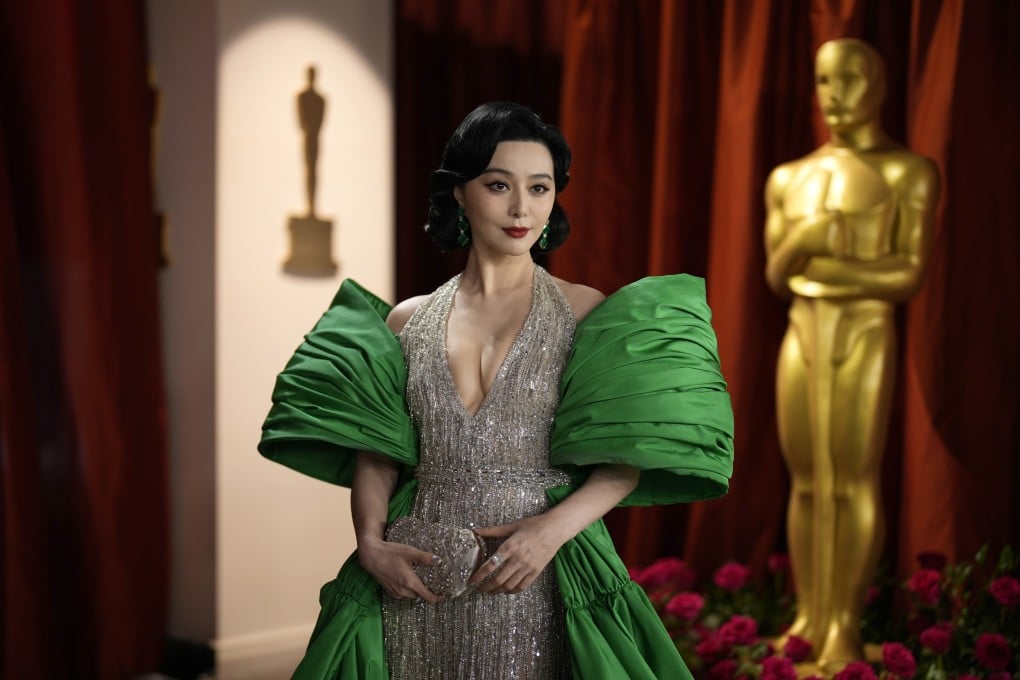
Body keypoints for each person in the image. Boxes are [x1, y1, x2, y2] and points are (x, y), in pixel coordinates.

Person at [261, 101, 734, 678]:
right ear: (459, 192)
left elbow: (627, 456)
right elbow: (377, 454)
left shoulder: (589, 312)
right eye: (497, 185)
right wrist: (370, 542)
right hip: (416, 581)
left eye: (539, 188)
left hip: (539, 572)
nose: (521, 208)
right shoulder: (406, 321)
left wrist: (548, 533)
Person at [764, 39, 939, 671]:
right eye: (824, 81)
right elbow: (779, 274)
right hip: (804, 332)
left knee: (851, 480)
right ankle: (811, 616)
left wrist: (822, 267)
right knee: (809, 483)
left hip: (865, 333)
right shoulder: (790, 177)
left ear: (881, 84)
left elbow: (907, 273)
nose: (835, 96)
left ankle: (844, 621)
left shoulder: (907, 172)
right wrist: (809, 238)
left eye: (851, 80)